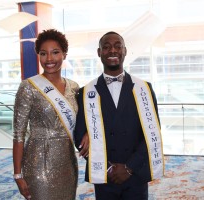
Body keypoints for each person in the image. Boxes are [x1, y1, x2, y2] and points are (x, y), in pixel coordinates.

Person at [74, 31, 164, 200]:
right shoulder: (86, 92)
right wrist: (108, 168)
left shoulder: (144, 88)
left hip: (135, 174)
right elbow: (79, 136)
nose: (112, 51)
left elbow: (152, 133)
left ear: (125, 51)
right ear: (99, 53)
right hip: (104, 176)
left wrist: (129, 168)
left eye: (117, 46)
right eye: (106, 47)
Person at [13, 29, 88, 200]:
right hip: (38, 164)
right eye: (43, 53)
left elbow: (82, 122)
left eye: (55, 52)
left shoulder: (74, 87)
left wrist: (87, 134)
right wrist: (18, 175)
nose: (49, 59)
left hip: (68, 164)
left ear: (64, 54)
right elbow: (18, 134)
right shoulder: (29, 87)